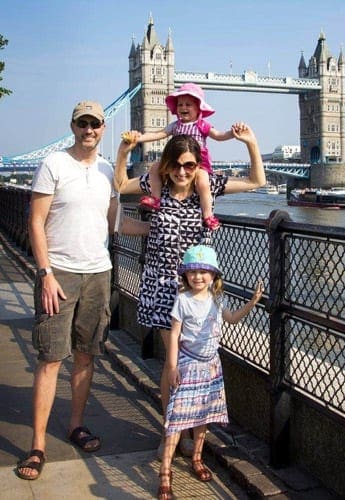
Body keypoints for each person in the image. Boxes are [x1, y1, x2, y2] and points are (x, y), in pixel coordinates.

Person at [114, 123, 266, 459]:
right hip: (162, 288)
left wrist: (251, 143)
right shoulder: (157, 188)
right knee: (173, 368)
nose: (183, 171)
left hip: (197, 293)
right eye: (177, 165)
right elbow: (121, 184)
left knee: (194, 366)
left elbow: (258, 181)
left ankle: (186, 432)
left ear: (197, 167)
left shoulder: (205, 189)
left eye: (190, 165)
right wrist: (125, 150)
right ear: (166, 165)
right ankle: (171, 434)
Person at [16, 101, 118, 480]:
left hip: (99, 273)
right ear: (73, 126)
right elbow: (36, 221)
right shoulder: (53, 165)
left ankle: (75, 426)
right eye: (83, 123)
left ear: (104, 128)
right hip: (59, 274)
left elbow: (114, 223)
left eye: (95, 124)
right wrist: (44, 274)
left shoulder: (109, 170)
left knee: (86, 356)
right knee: (50, 359)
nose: (89, 129)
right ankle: (37, 445)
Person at [156, 244, 264, 498]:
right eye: (192, 272)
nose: (198, 277)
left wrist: (253, 302)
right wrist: (172, 366)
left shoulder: (217, 299)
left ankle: (196, 457)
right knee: (177, 418)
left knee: (203, 416)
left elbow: (232, 319)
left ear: (214, 276)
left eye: (204, 272)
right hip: (188, 362)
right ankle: (165, 470)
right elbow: (174, 335)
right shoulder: (182, 300)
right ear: (185, 275)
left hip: (210, 364)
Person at [122, 82, 235, 231]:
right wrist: (137, 138)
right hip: (175, 161)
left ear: (198, 108)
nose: (183, 108)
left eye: (188, 105)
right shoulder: (175, 125)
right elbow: (157, 134)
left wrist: (233, 133)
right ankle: (155, 199)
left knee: (203, 183)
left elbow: (220, 136)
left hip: (197, 164)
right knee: (155, 167)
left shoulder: (202, 125)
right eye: (180, 105)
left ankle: (207, 215)